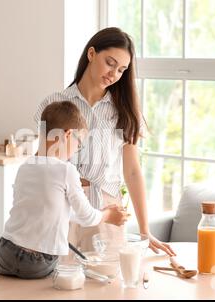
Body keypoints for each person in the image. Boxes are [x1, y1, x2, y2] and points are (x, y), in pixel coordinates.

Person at [34, 27, 176, 257]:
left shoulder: (124, 111)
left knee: (106, 287)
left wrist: (144, 230)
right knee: (60, 286)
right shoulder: (54, 104)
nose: (114, 74)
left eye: (121, 69)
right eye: (110, 63)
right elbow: (43, 164)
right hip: (61, 208)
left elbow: (132, 171)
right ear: (91, 54)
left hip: (107, 211)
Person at [0, 101, 129, 279]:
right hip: (37, 261)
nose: (75, 151)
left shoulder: (25, 166)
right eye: (78, 143)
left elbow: (49, 210)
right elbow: (88, 217)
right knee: (74, 280)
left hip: (5, 252)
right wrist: (107, 215)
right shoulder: (66, 170)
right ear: (67, 135)